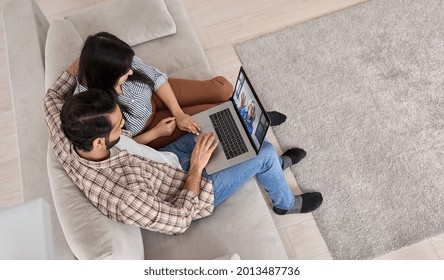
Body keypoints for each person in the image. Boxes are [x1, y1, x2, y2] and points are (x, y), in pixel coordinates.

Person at [44, 63, 322, 235]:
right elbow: (179, 221)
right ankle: (285, 204)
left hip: (169, 159)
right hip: (193, 187)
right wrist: (197, 168)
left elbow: (53, 95)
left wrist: (96, 55)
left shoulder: (67, 129)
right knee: (266, 152)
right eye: (119, 126)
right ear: (99, 142)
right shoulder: (125, 196)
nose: (125, 124)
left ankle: (268, 169)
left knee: (227, 121)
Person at [74, 32, 287, 149]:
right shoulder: (92, 107)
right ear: (106, 76)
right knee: (218, 111)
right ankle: (254, 120)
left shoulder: (116, 58)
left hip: (155, 94)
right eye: (123, 72)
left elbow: (156, 77)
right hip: (150, 128)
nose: (130, 71)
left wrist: (179, 113)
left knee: (224, 90)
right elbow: (116, 145)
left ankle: (247, 116)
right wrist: (156, 133)